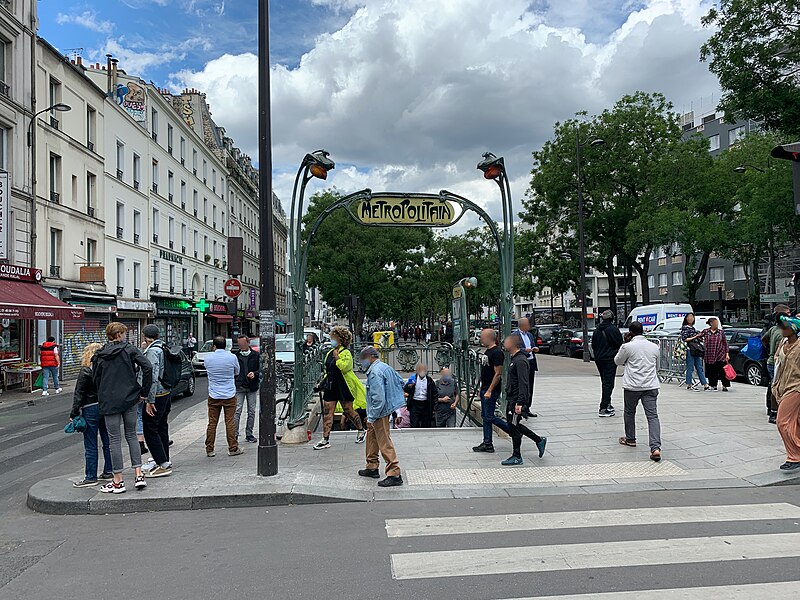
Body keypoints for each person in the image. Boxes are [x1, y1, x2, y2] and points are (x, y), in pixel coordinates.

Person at [93, 322, 153, 493]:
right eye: (124, 333)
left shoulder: (99, 354)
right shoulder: (130, 350)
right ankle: (138, 475)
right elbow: (147, 367)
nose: (126, 336)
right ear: (118, 334)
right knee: (132, 435)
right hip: (130, 398)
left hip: (109, 400)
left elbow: (95, 378)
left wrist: (102, 393)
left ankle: (118, 481)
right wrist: (143, 391)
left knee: (114, 440)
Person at [615, 321, 662, 462]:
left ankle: (630, 438)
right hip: (651, 385)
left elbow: (617, 361)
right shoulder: (654, 347)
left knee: (629, 412)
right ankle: (655, 448)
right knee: (652, 416)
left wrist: (625, 343)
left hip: (633, 386)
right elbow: (657, 367)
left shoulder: (627, 346)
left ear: (630, 332)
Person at [358, 346, 404, 487]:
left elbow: (378, 398)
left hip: (380, 412)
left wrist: (372, 416)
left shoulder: (374, 373)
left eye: (363, 359)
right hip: (383, 409)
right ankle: (372, 466)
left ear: (370, 357)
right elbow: (400, 381)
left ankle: (394, 472)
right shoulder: (385, 367)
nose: (362, 363)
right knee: (372, 438)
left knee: (384, 441)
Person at [313, 326, 366, 450]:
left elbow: (345, 367)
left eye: (334, 338)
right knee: (327, 412)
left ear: (340, 340)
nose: (332, 340)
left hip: (343, 385)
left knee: (348, 410)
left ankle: (361, 430)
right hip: (331, 385)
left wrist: (337, 358)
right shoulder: (329, 353)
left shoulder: (346, 353)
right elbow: (328, 370)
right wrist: (321, 384)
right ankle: (325, 439)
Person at [69, 342, 113, 487]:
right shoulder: (106, 369)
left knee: (90, 443)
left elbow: (79, 393)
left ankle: (90, 476)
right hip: (105, 407)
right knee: (108, 441)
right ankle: (109, 471)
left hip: (90, 408)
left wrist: (74, 412)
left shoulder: (86, 370)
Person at [501, 334, 546, 465]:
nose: (504, 343)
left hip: (516, 400)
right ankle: (538, 440)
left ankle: (517, 455)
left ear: (514, 344)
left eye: (507, 341)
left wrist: (520, 402)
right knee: (513, 425)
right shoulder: (514, 359)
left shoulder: (520, 361)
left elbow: (523, 383)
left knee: (514, 426)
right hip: (512, 398)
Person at [204, 336, 244, 457]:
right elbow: (237, 371)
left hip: (214, 394)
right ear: (225, 345)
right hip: (229, 394)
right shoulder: (232, 357)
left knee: (212, 423)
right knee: (230, 422)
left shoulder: (208, 358)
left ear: (214, 346)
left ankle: (209, 449)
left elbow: (207, 369)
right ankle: (233, 447)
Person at [473, 328, 510, 452]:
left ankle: (512, 431)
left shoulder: (497, 352)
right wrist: (482, 388)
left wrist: (489, 390)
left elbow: (498, 374)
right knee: (486, 416)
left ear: (489, 337)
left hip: (491, 390)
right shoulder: (488, 351)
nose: (480, 339)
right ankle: (487, 442)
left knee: (489, 416)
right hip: (485, 388)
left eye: (482, 336)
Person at [772, 314, 800, 472]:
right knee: (796, 422)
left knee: (782, 422)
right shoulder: (782, 343)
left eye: (785, 327)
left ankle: (794, 456)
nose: (781, 329)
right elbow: (777, 362)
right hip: (782, 385)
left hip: (796, 387)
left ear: (794, 328)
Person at [592, 310, 624, 416]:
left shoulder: (597, 330)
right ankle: (604, 407)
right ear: (612, 318)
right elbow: (619, 344)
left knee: (604, 382)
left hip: (599, 359)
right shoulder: (613, 329)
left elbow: (593, 345)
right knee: (608, 383)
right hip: (610, 359)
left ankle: (607, 403)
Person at [765, 305, 791, 424]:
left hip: (771, 360)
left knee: (773, 385)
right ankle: (775, 412)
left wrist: (768, 349)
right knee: (777, 387)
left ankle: (772, 410)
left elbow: (763, 339)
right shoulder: (784, 332)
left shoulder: (773, 329)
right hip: (777, 361)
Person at [234, 335, 260, 444]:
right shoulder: (235, 356)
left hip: (252, 386)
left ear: (248, 343)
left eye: (243, 344)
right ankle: (234, 435)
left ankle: (249, 434)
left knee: (251, 411)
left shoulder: (255, 355)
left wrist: (255, 373)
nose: (241, 346)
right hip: (239, 386)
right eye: (239, 344)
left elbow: (261, 369)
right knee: (237, 411)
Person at [513, 317, 540, 411]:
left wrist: (535, 349)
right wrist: (524, 350)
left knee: (530, 384)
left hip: (531, 361)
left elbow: (532, 345)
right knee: (523, 384)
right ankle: (521, 406)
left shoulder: (530, 335)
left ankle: (528, 407)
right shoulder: (515, 335)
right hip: (522, 362)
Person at [680, 313, 710, 391]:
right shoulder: (685, 328)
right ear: (686, 319)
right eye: (689, 317)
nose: (691, 318)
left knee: (699, 367)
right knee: (690, 367)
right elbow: (685, 339)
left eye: (692, 317)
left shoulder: (693, 328)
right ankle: (689, 384)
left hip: (696, 349)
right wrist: (695, 336)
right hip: (690, 349)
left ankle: (705, 384)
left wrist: (699, 337)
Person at [403, 362, 437, 428]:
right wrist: (410, 386)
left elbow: (434, 394)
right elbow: (405, 389)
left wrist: (434, 408)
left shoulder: (429, 381)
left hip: (426, 404)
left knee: (426, 424)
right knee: (414, 423)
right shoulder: (413, 379)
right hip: (415, 404)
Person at [701, 317, 730, 391]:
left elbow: (725, 343)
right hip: (709, 354)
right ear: (711, 323)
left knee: (722, 371)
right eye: (715, 323)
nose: (716, 324)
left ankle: (725, 385)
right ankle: (713, 385)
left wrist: (727, 354)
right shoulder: (706, 331)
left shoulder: (721, 332)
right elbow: (699, 336)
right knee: (711, 370)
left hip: (720, 354)